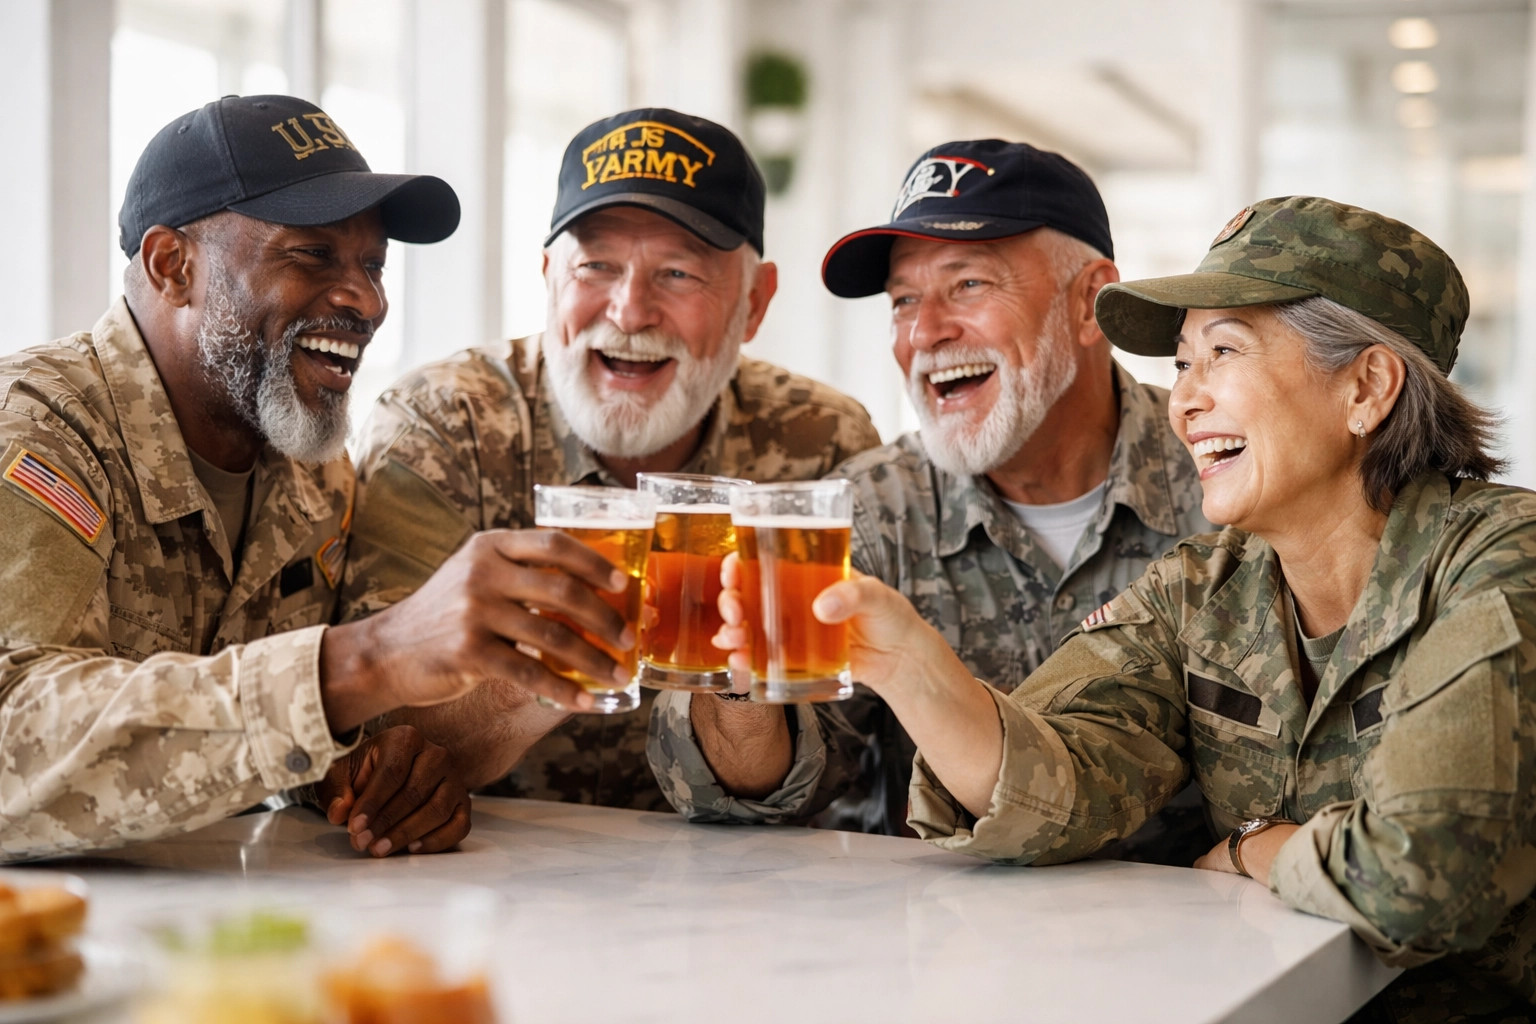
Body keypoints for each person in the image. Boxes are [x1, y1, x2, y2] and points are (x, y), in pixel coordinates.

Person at [713, 195, 1536, 1019]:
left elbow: (1426, 878)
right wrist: (911, 667)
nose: (1184, 401)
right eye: (1183, 365)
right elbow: (1057, 780)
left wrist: (1254, 849)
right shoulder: (1201, 588)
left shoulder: (1502, 561)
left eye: (1223, 352)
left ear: (1366, 386)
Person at [0, 95, 634, 863]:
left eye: (372, 264)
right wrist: (364, 661)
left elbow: (288, 730)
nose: (367, 299)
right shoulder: (37, 431)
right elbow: (12, 737)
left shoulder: (310, 464)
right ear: (174, 266)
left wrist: (368, 770)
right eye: (313, 255)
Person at [648, 140, 1211, 855]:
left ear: (1089, 302)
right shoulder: (863, 509)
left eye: (968, 285)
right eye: (903, 300)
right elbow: (750, 799)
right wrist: (740, 688)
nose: (924, 332)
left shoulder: (1221, 478)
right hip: (932, 942)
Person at [339, 108, 880, 810]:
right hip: (483, 874)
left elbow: (832, 768)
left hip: (733, 892)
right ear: (548, 277)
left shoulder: (820, 440)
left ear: (754, 303)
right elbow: (384, 744)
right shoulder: (445, 422)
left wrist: (739, 684)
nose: (628, 312)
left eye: (679, 273)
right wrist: (566, 649)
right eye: (596, 266)